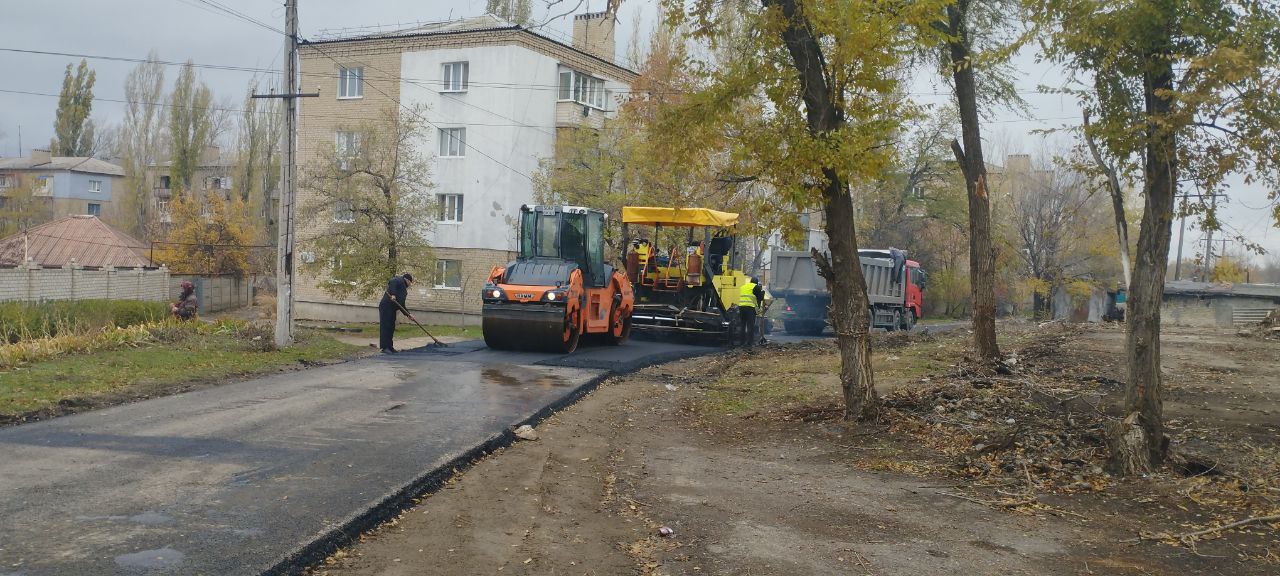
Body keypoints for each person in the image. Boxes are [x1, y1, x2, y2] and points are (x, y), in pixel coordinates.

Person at [378, 272, 416, 354]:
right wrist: (393, 294)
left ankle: (390, 347)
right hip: (386, 307)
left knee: (391, 327)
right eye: (410, 282)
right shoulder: (398, 280)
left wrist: (408, 314)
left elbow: (401, 305)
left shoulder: (404, 291)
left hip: (392, 309)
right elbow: (392, 282)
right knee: (386, 326)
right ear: (407, 280)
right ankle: (384, 347)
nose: (410, 284)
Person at [738, 276, 765, 348]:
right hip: (749, 308)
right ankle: (749, 343)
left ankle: (741, 343)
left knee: (743, 325)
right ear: (756, 282)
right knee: (750, 326)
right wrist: (762, 293)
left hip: (741, 307)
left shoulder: (743, 286)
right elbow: (760, 298)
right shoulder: (755, 287)